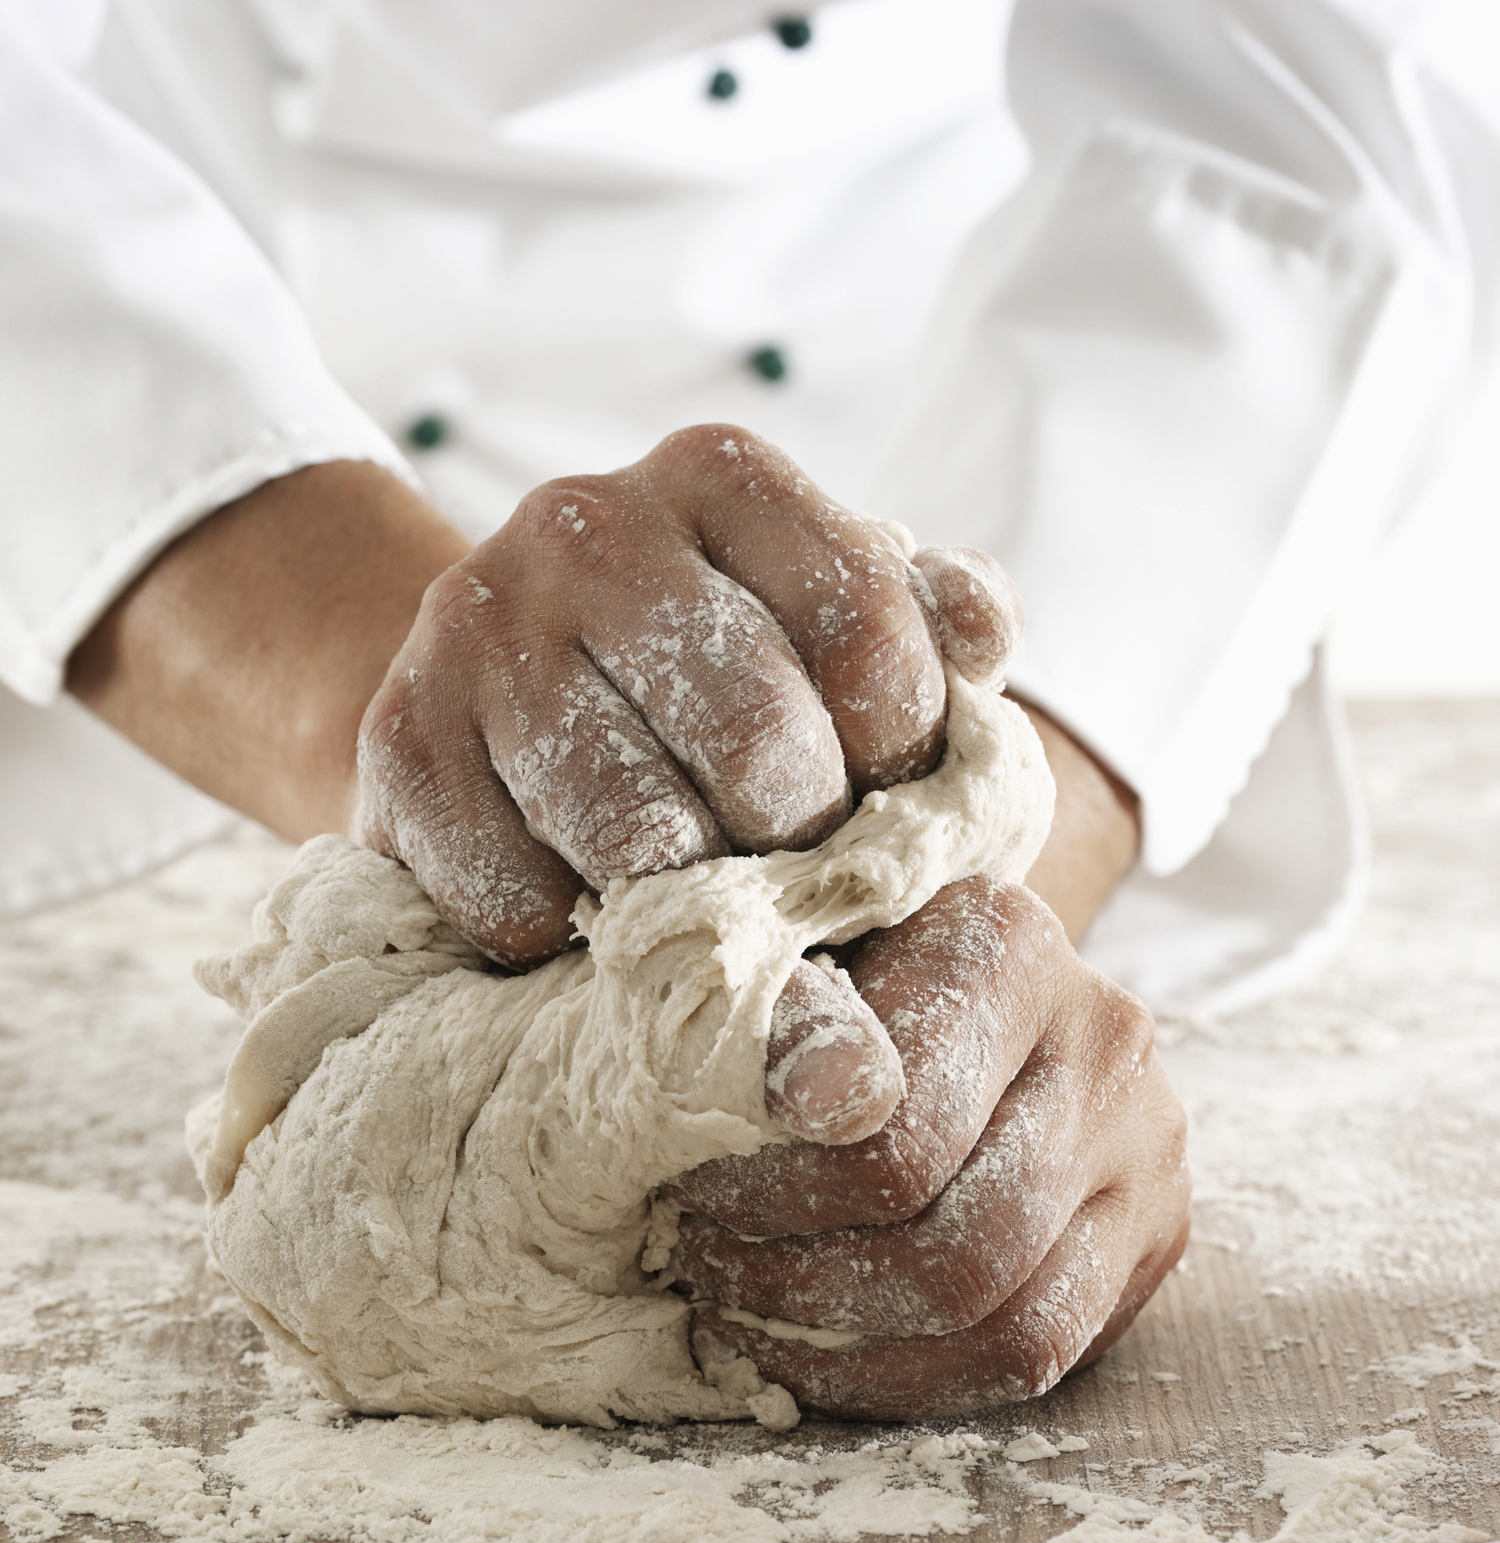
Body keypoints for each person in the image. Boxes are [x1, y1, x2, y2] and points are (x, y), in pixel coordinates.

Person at [3, 0, 1496, 1417]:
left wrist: (958, 893)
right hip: (171, 451)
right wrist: (385, 712)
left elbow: (1301, 131)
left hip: (914, 440)